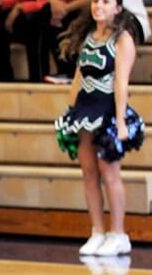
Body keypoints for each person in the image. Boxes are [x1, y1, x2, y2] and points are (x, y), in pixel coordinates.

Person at [58, 0, 137, 256]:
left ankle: (118, 233)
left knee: (109, 172)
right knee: (89, 173)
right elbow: (79, 77)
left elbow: (121, 83)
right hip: (85, 111)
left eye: (105, 2)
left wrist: (121, 121)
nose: (97, 6)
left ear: (118, 8)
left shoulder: (122, 39)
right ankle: (97, 231)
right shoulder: (88, 36)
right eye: (94, 1)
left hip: (107, 111)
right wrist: (70, 111)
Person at [0, 0, 49, 82]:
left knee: (34, 22)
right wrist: (0, 2)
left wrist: (20, 7)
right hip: (18, 12)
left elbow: (48, 3)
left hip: (41, 12)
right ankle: (0, 79)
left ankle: (38, 81)